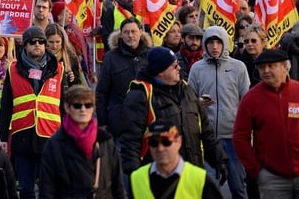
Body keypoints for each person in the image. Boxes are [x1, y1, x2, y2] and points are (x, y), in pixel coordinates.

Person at [119, 46, 227, 181]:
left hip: (191, 173)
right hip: (159, 177)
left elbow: (205, 130)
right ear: (160, 71)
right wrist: (134, 173)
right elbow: (131, 139)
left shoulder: (187, 91)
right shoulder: (141, 96)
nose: (179, 69)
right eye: (174, 66)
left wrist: (219, 159)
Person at [0, 25, 66, 199]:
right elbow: (6, 106)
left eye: (41, 42)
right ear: (25, 45)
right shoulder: (12, 70)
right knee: (26, 188)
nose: (38, 45)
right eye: (33, 42)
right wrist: (3, 137)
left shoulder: (59, 69)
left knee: (48, 187)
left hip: (50, 136)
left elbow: (65, 106)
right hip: (23, 136)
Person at [188, 25, 250, 199]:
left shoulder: (239, 67)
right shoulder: (196, 68)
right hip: (207, 139)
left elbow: (246, 102)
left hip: (232, 136)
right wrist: (200, 103)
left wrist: (246, 133)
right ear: (204, 44)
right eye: (210, 42)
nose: (214, 47)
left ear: (225, 43)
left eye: (218, 42)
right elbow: (189, 102)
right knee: (210, 190)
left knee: (238, 186)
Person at [39, 85, 126, 199]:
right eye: (77, 105)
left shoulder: (106, 141)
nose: (83, 109)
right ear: (67, 107)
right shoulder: (55, 145)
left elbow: (117, 186)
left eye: (88, 105)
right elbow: (47, 189)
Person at [233, 49, 299, 198]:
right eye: (262, 67)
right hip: (272, 178)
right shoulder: (251, 99)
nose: (266, 71)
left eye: (271, 66)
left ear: (285, 67)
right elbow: (240, 137)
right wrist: (255, 170)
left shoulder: (297, 91)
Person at [130, 120, 223, 198]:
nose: (160, 148)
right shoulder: (136, 178)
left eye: (166, 142)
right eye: (153, 143)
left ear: (178, 141)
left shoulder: (200, 178)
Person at [96, 17, 151, 138]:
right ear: (121, 35)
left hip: (147, 120)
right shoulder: (111, 58)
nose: (130, 35)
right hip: (119, 122)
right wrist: (102, 122)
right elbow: (101, 92)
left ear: (141, 33)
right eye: (126, 32)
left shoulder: (151, 55)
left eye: (133, 31)